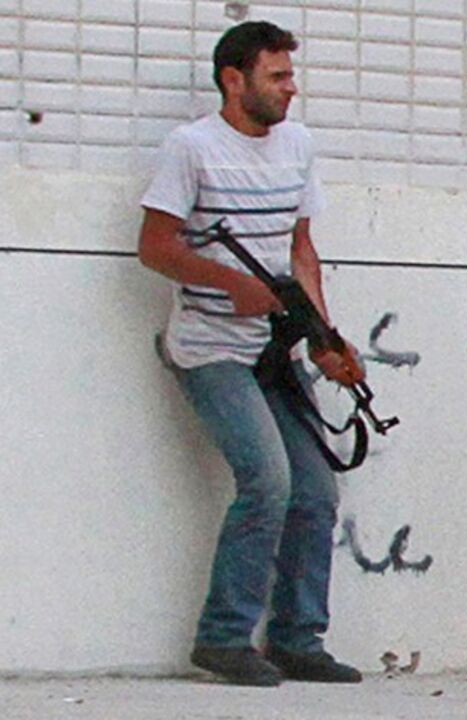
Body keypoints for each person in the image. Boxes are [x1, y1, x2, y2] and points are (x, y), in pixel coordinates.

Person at [137, 21, 364, 688]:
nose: (290, 89)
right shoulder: (192, 148)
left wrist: (325, 339)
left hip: (275, 351)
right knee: (268, 482)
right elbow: (155, 246)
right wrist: (230, 281)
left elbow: (301, 250)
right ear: (234, 81)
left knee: (316, 491)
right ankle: (224, 638)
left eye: (291, 76)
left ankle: (297, 639)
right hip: (209, 349)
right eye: (278, 76)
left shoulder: (297, 145)